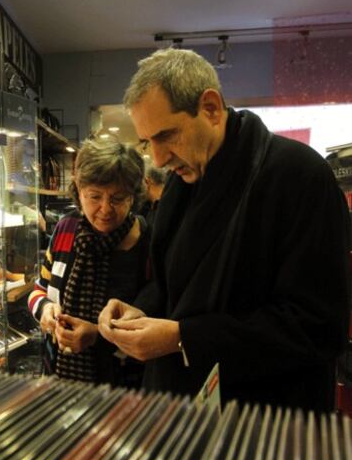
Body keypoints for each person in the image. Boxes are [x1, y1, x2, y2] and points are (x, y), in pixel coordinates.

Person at [98, 47, 350, 412]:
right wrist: (139, 312)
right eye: (147, 142)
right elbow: (171, 286)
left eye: (166, 135)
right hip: (187, 414)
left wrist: (185, 338)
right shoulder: (180, 185)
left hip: (267, 425)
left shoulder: (299, 176)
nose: (158, 159)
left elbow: (318, 326)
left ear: (211, 108)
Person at [28, 137, 149, 387]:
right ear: (79, 191)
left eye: (117, 198)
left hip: (124, 387)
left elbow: (156, 323)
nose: (105, 209)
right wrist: (46, 310)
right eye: (94, 196)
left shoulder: (147, 244)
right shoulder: (65, 230)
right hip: (57, 378)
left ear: (133, 196)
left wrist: (98, 336)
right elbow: (39, 289)